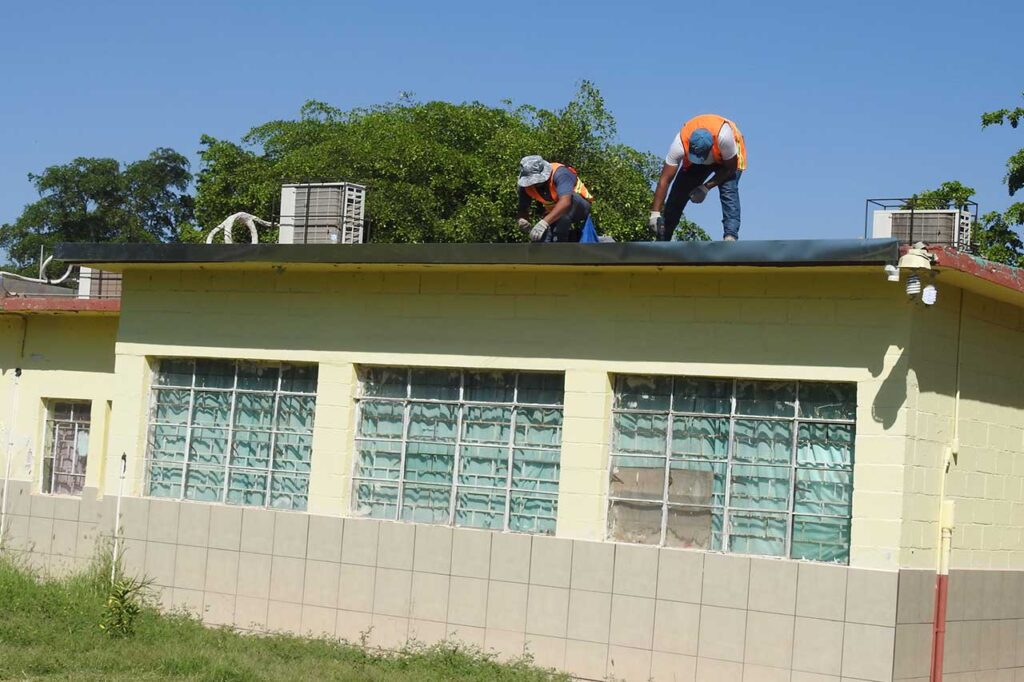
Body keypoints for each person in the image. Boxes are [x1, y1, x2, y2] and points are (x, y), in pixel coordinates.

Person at [649, 114, 747, 241]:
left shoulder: (725, 138)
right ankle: (663, 239)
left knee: (729, 190)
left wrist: (705, 188)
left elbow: (730, 169)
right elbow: (665, 180)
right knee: (678, 194)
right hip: (707, 155)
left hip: (728, 160)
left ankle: (730, 236)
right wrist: (655, 213)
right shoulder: (680, 143)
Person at [517, 155, 594, 242]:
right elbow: (522, 208)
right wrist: (522, 219)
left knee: (569, 204)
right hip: (555, 212)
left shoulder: (560, 173)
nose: (534, 183)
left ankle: (560, 242)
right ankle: (548, 251)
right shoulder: (524, 186)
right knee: (543, 237)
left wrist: (544, 223)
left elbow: (566, 202)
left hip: (579, 207)